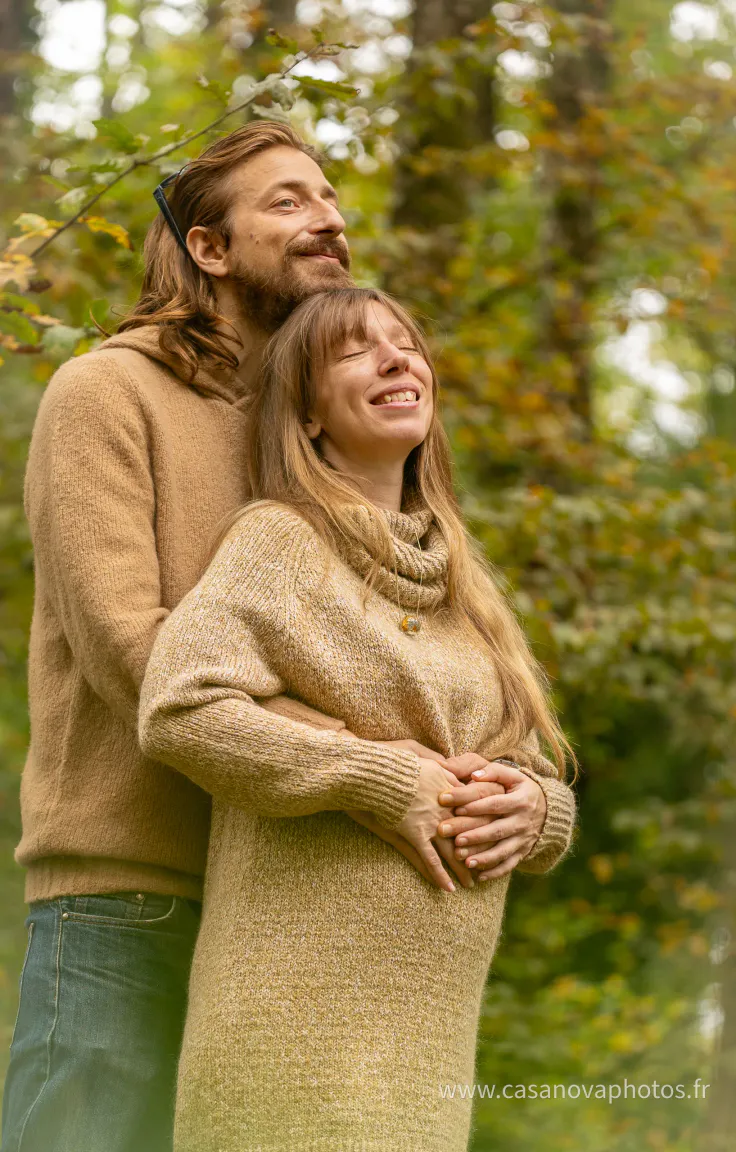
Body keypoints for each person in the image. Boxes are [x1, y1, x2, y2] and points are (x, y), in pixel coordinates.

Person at [1, 123, 574, 1151]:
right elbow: (134, 651)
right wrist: (374, 763)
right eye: (289, 202)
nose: (332, 222)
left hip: (290, 899)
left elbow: (413, 658)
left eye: (331, 198)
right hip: (134, 889)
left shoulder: (322, 428)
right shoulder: (106, 394)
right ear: (209, 250)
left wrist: (514, 794)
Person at [137, 286, 578, 1152]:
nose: (395, 358)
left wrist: (540, 814)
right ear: (306, 415)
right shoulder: (281, 540)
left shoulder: (465, 585)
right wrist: (372, 776)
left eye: (407, 343)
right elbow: (180, 707)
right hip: (298, 1033)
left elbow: (529, 766)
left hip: (429, 1045)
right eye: (354, 350)